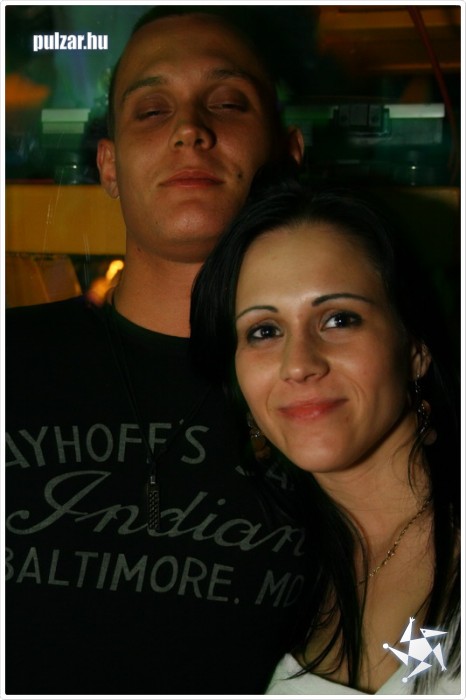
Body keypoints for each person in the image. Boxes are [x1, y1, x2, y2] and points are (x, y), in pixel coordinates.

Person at [5, 8, 309, 695]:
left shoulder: (339, 390)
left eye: (228, 102)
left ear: (290, 153)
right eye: (151, 110)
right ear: (108, 166)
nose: (189, 129)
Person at [190, 179, 461, 695]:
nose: (298, 364)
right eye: (264, 331)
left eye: (339, 319)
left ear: (415, 349)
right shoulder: (275, 569)